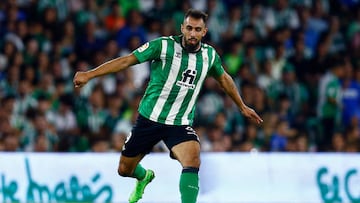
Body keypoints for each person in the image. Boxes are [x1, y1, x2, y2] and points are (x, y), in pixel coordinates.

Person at [73, 9, 263, 203]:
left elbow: (224, 78)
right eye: (189, 28)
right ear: (182, 28)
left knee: (193, 159)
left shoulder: (209, 56)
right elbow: (127, 60)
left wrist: (242, 106)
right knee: (124, 169)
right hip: (150, 118)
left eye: (197, 29)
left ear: (204, 32)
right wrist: (89, 74)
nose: (192, 33)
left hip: (179, 123)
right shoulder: (163, 46)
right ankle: (144, 177)